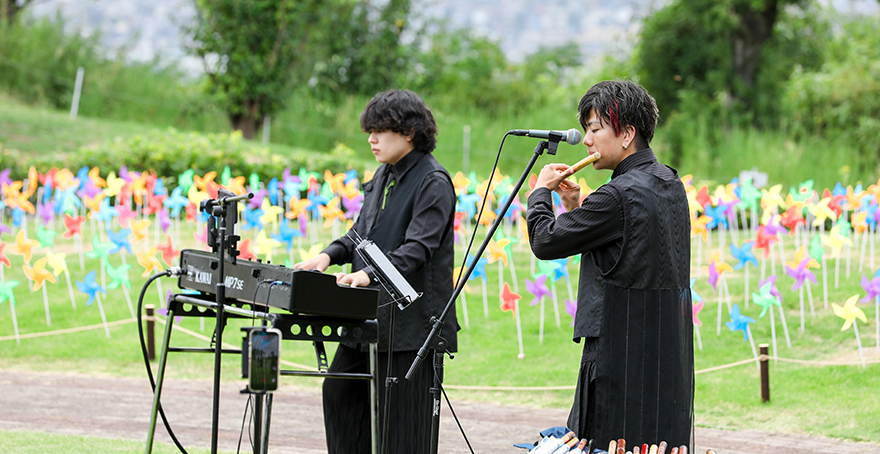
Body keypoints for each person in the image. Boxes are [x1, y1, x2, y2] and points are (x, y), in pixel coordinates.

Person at [526, 80, 694, 449]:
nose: (587, 140)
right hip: (664, 353)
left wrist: (539, 193)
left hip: (618, 353)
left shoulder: (617, 194)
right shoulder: (669, 182)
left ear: (627, 134)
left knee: (602, 441)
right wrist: (575, 207)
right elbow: (625, 252)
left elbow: (544, 241)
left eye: (595, 129)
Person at [293, 89, 457, 454]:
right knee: (339, 394)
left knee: (403, 430)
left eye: (380, 130)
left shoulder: (434, 182)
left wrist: (368, 274)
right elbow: (360, 232)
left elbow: (418, 249)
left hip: (413, 327)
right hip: (367, 317)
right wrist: (327, 255)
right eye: (370, 130)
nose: (371, 138)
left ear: (409, 132)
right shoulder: (383, 175)